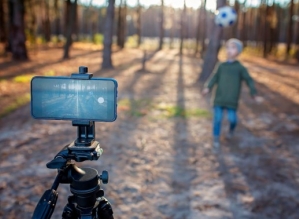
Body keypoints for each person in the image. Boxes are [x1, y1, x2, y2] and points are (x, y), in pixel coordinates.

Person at [202, 38, 261, 148]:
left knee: (232, 119)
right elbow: (214, 77)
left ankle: (231, 131)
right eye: (228, 47)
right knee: (218, 119)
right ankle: (216, 138)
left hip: (231, 100)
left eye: (233, 48)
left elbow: (249, 80)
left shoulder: (240, 68)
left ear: (238, 52)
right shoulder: (221, 65)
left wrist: (253, 93)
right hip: (219, 98)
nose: (229, 50)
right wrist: (207, 88)